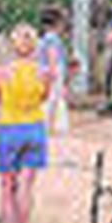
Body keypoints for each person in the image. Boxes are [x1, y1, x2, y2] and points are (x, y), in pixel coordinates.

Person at [0, 23, 51, 223]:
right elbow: (43, 97)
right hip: (34, 127)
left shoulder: (1, 72)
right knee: (26, 185)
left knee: (7, 186)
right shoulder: (43, 72)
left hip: (9, 128)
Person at [38, 7, 71, 135]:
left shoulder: (43, 39)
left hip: (45, 72)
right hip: (53, 72)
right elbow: (52, 56)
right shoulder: (52, 39)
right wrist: (53, 73)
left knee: (50, 101)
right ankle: (58, 127)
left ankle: (48, 126)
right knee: (55, 100)